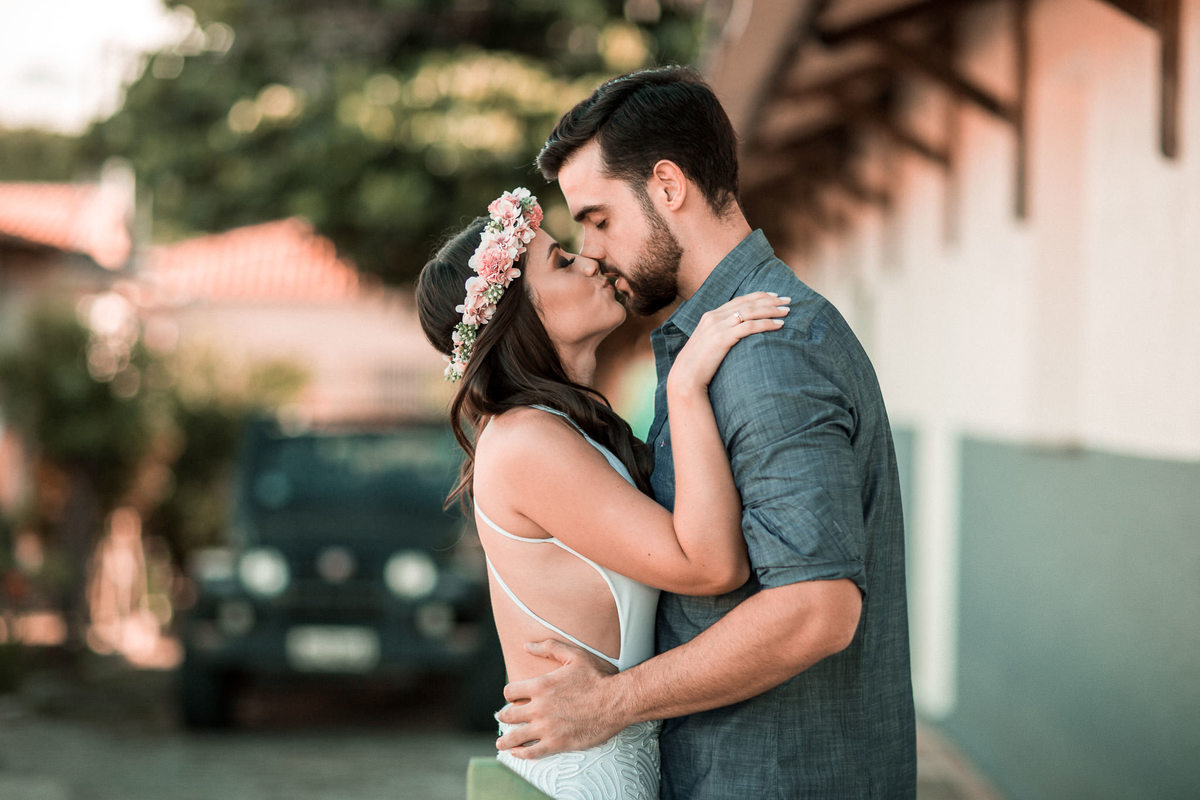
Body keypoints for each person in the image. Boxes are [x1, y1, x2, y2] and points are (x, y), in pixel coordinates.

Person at [494, 66, 917, 798]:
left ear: (667, 186)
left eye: (597, 218)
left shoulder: (767, 351)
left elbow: (818, 610)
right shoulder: (716, 343)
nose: (591, 250)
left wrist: (610, 705)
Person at [415, 187, 790, 800]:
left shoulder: (558, 429)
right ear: (518, 315)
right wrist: (688, 385)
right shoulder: (527, 441)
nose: (590, 260)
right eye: (561, 261)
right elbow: (711, 563)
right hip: (578, 781)